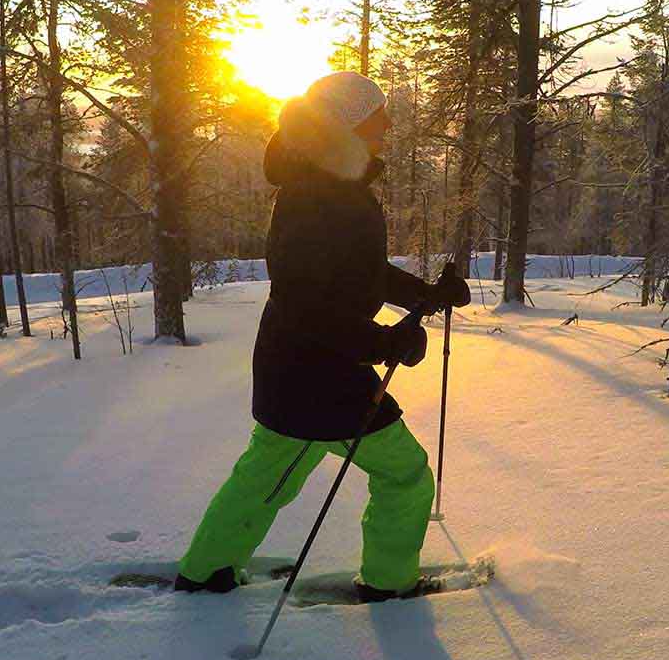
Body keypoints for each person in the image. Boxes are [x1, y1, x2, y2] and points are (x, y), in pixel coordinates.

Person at [175, 71, 471, 602]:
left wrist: (426, 295)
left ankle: (206, 571)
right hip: (323, 373)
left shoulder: (328, 184)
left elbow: (360, 272)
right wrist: (382, 344)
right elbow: (306, 301)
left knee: (267, 479)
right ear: (348, 125)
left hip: (294, 369)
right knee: (404, 475)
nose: (387, 124)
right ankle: (388, 584)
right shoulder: (322, 197)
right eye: (376, 115)